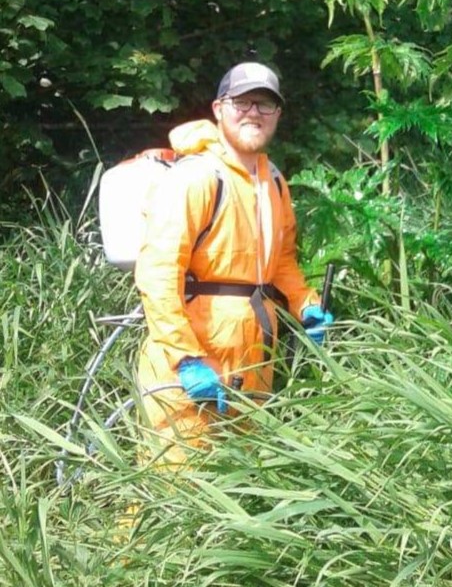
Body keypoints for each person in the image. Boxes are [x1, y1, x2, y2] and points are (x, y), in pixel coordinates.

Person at [133, 61, 332, 460]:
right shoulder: (196, 177)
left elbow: (281, 262)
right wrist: (185, 358)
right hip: (190, 366)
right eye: (242, 102)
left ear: (278, 114)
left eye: (265, 104)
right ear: (219, 108)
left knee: (239, 493)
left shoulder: (273, 180)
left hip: (253, 360)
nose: (254, 113)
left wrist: (306, 304)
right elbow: (158, 275)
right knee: (172, 490)